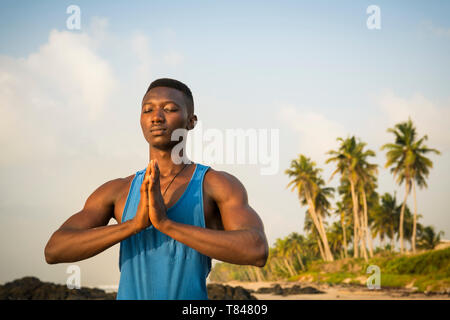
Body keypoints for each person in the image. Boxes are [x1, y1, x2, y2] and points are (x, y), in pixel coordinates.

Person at [44, 78, 269, 300]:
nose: (157, 117)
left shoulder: (215, 184)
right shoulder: (117, 190)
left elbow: (256, 250)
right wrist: (133, 225)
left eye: (170, 109)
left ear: (191, 121)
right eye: (147, 110)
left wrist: (166, 224)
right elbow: (55, 250)